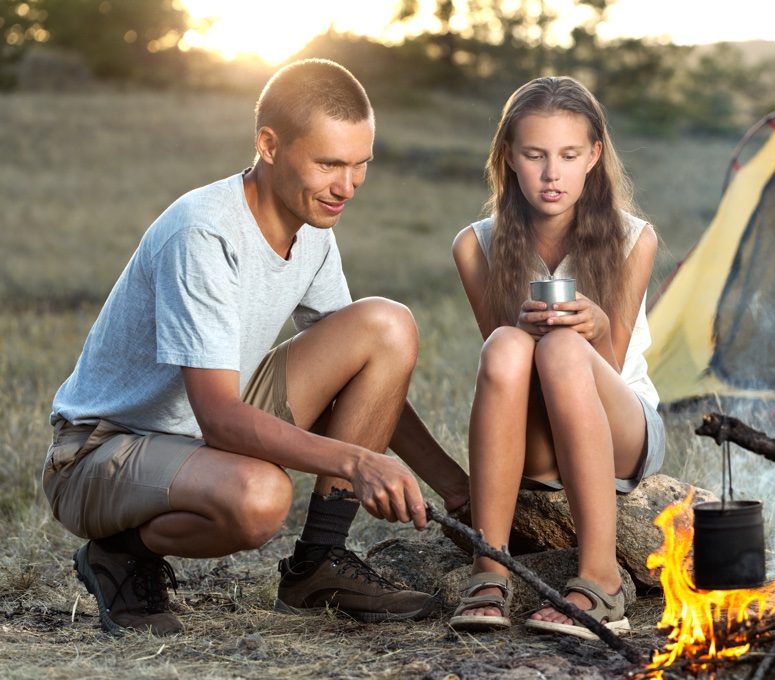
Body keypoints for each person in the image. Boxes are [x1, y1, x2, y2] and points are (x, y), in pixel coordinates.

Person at [42, 58, 469, 636]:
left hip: (204, 430)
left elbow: (369, 378)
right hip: (101, 453)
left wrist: (455, 488)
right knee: (260, 499)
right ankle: (118, 555)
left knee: (387, 325)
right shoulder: (204, 233)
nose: (347, 186)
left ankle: (318, 565)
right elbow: (218, 418)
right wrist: (354, 461)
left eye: (361, 164)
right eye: (329, 164)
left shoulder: (314, 227)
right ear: (269, 145)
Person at [448, 76, 665, 638]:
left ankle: (601, 576)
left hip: (621, 431)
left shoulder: (633, 239)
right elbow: (505, 376)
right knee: (504, 342)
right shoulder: (476, 246)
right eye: (535, 155)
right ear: (509, 157)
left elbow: (610, 368)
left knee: (567, 349)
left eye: (569, 155)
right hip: (534, 439)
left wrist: (594, 327)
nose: (552, 174)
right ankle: (490, 567)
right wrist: (517, 325)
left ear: (594, 156)